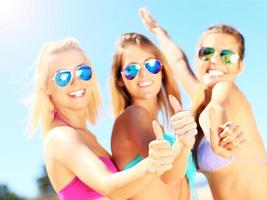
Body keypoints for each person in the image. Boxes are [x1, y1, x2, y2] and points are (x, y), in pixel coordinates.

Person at [139, 7, 267, 200]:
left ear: (240, 66)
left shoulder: (227, 90)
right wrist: (157, 30)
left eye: (227, 56)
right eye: (206, 53)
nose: (215, 60)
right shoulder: (199, 97)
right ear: (197, 59)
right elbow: (177, 62)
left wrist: (216, 131)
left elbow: (215, 110)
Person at [27, 37, 176, 200]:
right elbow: (109, 187)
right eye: (63, 77)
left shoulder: (85, 135)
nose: (76, 81)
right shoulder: (60, 137)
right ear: (47, 87)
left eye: (82, 72)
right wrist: (151, 164)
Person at [110, 32, 241, 200]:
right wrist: (183, 143)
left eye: (151, 65)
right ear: (120, 79)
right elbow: (169, 174)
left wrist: (158, 31)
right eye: (131, 69)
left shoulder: (156, 128)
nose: (143, 74)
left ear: (161, 70)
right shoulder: (133, 116)